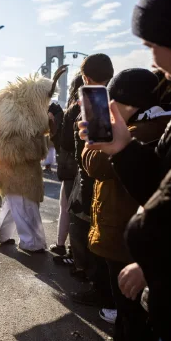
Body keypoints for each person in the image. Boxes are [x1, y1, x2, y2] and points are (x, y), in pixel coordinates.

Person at [79, 0, 171, 341]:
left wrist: (150, 252)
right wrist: (122, 148)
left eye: (154, 41)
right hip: (168, 289)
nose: (151, 52)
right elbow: (163, 185)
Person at [80, 69, 171, 341]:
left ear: (132, 104)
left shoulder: (148, 129)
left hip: (127, 235)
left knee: (133, 312)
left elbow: (96, 164)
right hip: (120, 230)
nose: (110, 107)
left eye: (115, 101)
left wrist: (100, 142)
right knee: (125, 309)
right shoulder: (149, 125)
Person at [0, 66, 68, 253]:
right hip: (14, 170)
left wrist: (48, 129)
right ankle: (32, 242)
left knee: (15, 204)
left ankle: (0, 234)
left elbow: (38, 131)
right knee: (24, 205)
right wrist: (32, 149)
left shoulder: (27, 110)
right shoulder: (13, 111)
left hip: (22, 170)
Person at [67, 54, 115, 309]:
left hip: (96, 180)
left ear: (86, 77)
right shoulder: (116, 96)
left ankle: (102, 294)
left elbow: (94, 156)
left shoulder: (96, 101)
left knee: (95, 237)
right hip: (111, 178)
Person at [50, 74, 84, 261]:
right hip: (83, 166)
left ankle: (71, 252)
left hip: (72, 167)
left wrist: (54, 126)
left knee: (70, 210)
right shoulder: (98, 106)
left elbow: (64, 142)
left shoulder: (73, 110)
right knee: (76, 211)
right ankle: (69, 250)